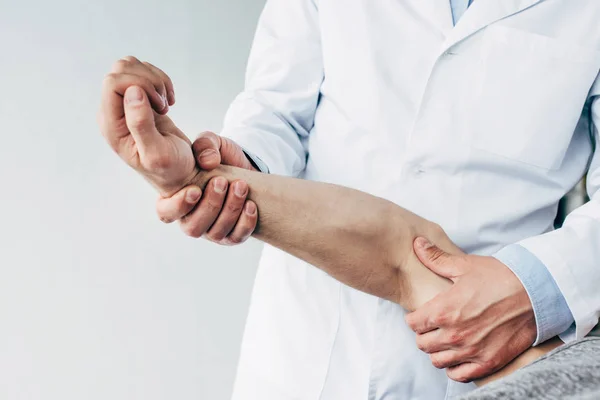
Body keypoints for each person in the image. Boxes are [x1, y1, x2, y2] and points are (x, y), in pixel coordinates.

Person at [101, 0, 600, 397]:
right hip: (307, 351)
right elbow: (275, 111)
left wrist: (537, 289)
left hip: (484, 347)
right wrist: (225, 173)